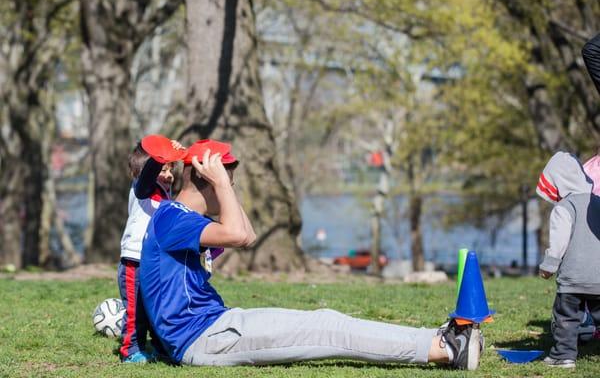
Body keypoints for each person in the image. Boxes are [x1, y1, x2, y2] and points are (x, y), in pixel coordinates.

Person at [139, 139, 483, 370]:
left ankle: (437, 342)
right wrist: (222, 184)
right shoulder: (173, 218)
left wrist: (224, 184)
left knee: (327, 322)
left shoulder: (179, 219)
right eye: (228, 178)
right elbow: (239, 234)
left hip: (217, 327)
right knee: (327, 328)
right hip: (205, 339)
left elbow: (249, 236)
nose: (232, 185)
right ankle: (445, 348)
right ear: (205, 177)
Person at [117, 135, 184, 363]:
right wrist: (160, 155)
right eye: (163, 169)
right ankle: (131, 350)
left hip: (154, 262)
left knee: (156, 307)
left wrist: (184, 157)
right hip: (134, 260)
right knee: (136, 311)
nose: (168, 175)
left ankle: (159, 347)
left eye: (170, 169)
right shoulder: (142, 188)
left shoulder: (167, 193)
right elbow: (148, 175)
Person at [536, 151, 600, 368]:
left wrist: (549, 266)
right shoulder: (597, 202)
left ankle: (563, 356)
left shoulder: (565, 207)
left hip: (572, 279)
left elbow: (559, 241)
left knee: (567, 318)